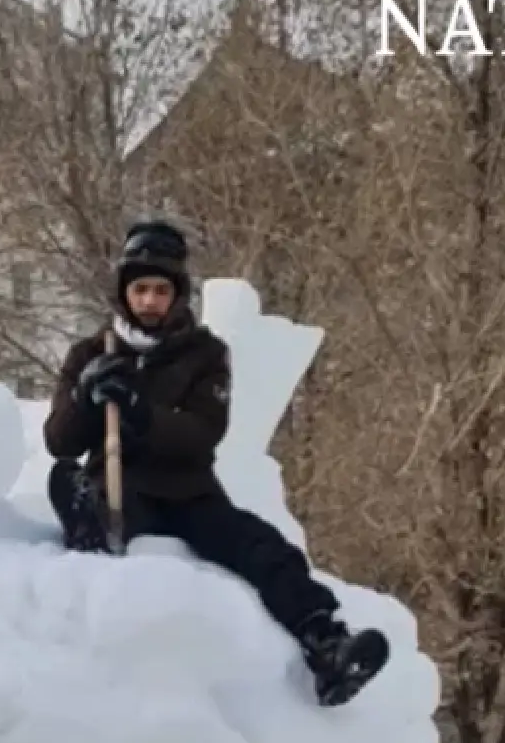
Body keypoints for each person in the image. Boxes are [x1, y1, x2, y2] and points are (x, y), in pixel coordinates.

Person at [43, 219, 388, 707]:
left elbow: (203, 432)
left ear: (177, 294)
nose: (149, 301)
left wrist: (141, 412)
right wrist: (85, 396)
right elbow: (59, 440)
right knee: (68, 480)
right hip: (118, 484)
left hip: (187, 492)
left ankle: (326, 642)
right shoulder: (90, 353)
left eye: (161, 290)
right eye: (140, 289)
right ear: (124, 292)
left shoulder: (205, 354)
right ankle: (90, 557)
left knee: (262, 546)